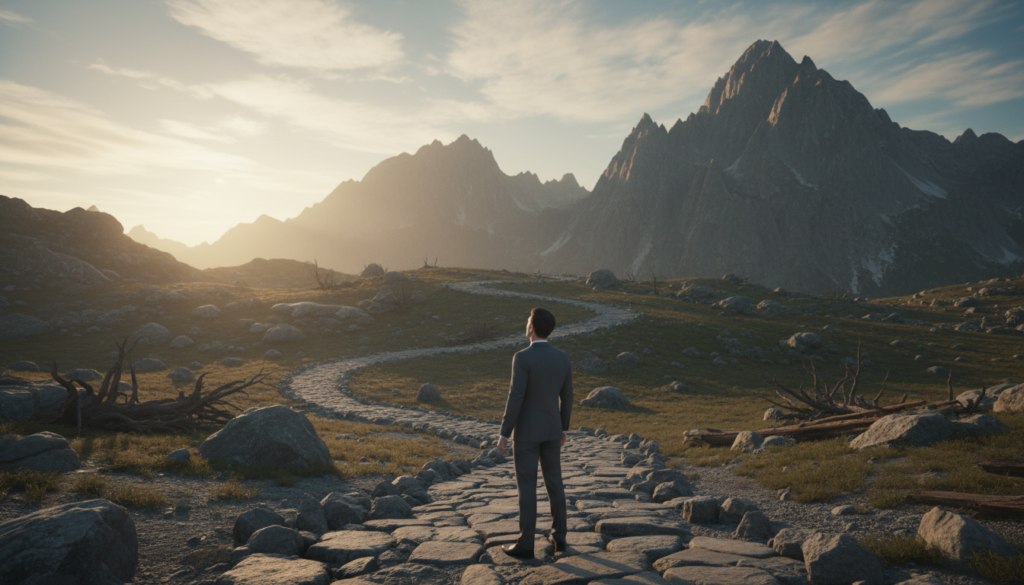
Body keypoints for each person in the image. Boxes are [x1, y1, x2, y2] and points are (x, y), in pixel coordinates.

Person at [496, 307, 573, 559]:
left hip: (527, 434)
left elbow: (515, 396)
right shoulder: (562, 357)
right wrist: (562, 427)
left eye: (527, 321)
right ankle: (560, 539)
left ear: (531, 328)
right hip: (552, 431)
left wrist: (504, 432)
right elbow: (568, 396)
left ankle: (526, 544)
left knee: (527, 487)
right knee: (555, 484)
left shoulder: (522, 357)